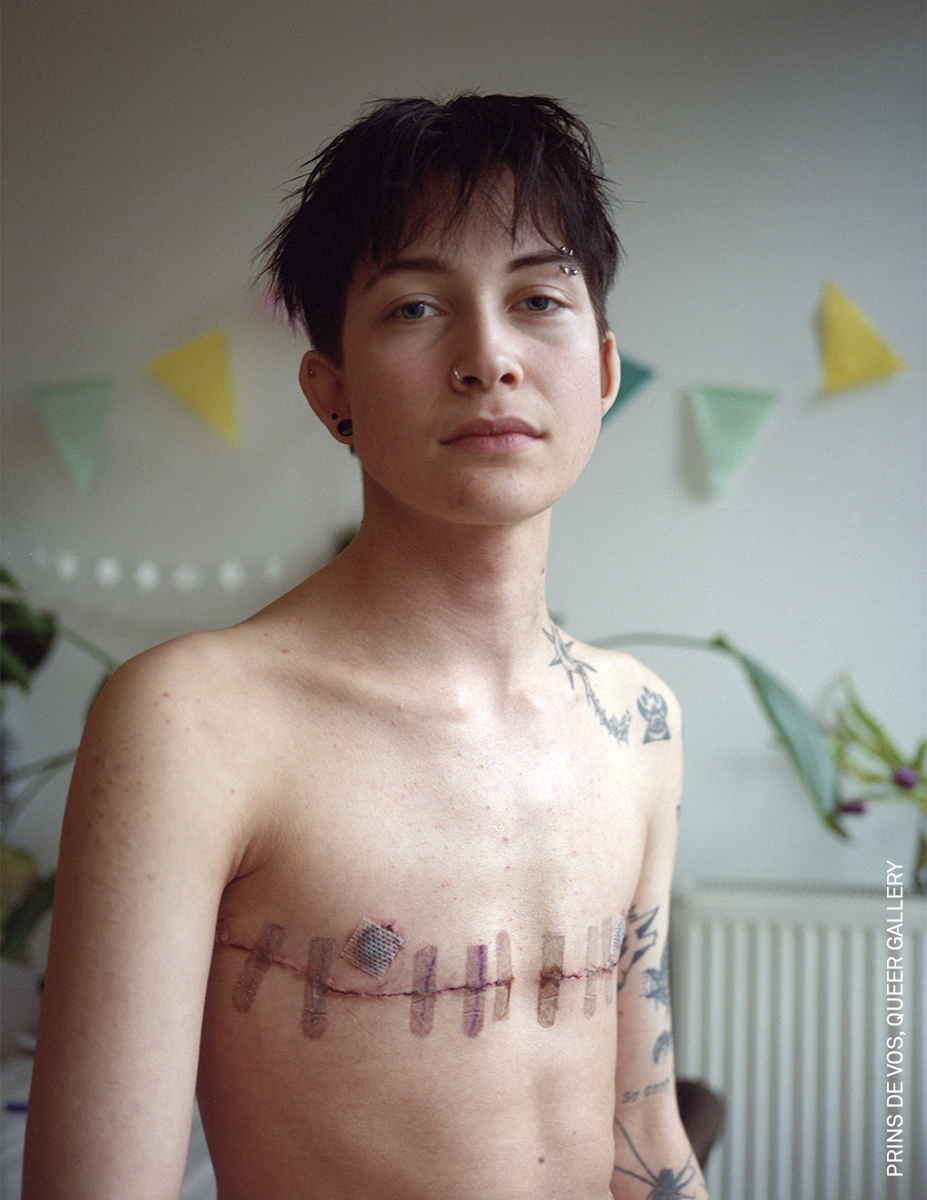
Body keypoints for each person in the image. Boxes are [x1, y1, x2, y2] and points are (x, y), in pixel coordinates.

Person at [23, 93, 709, 1200]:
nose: (489, 357)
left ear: (603, 369)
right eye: (414, 310)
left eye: (539, 298)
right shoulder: (194, 724)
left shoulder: (639, 721)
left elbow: (647, 1137)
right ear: (330, 391)